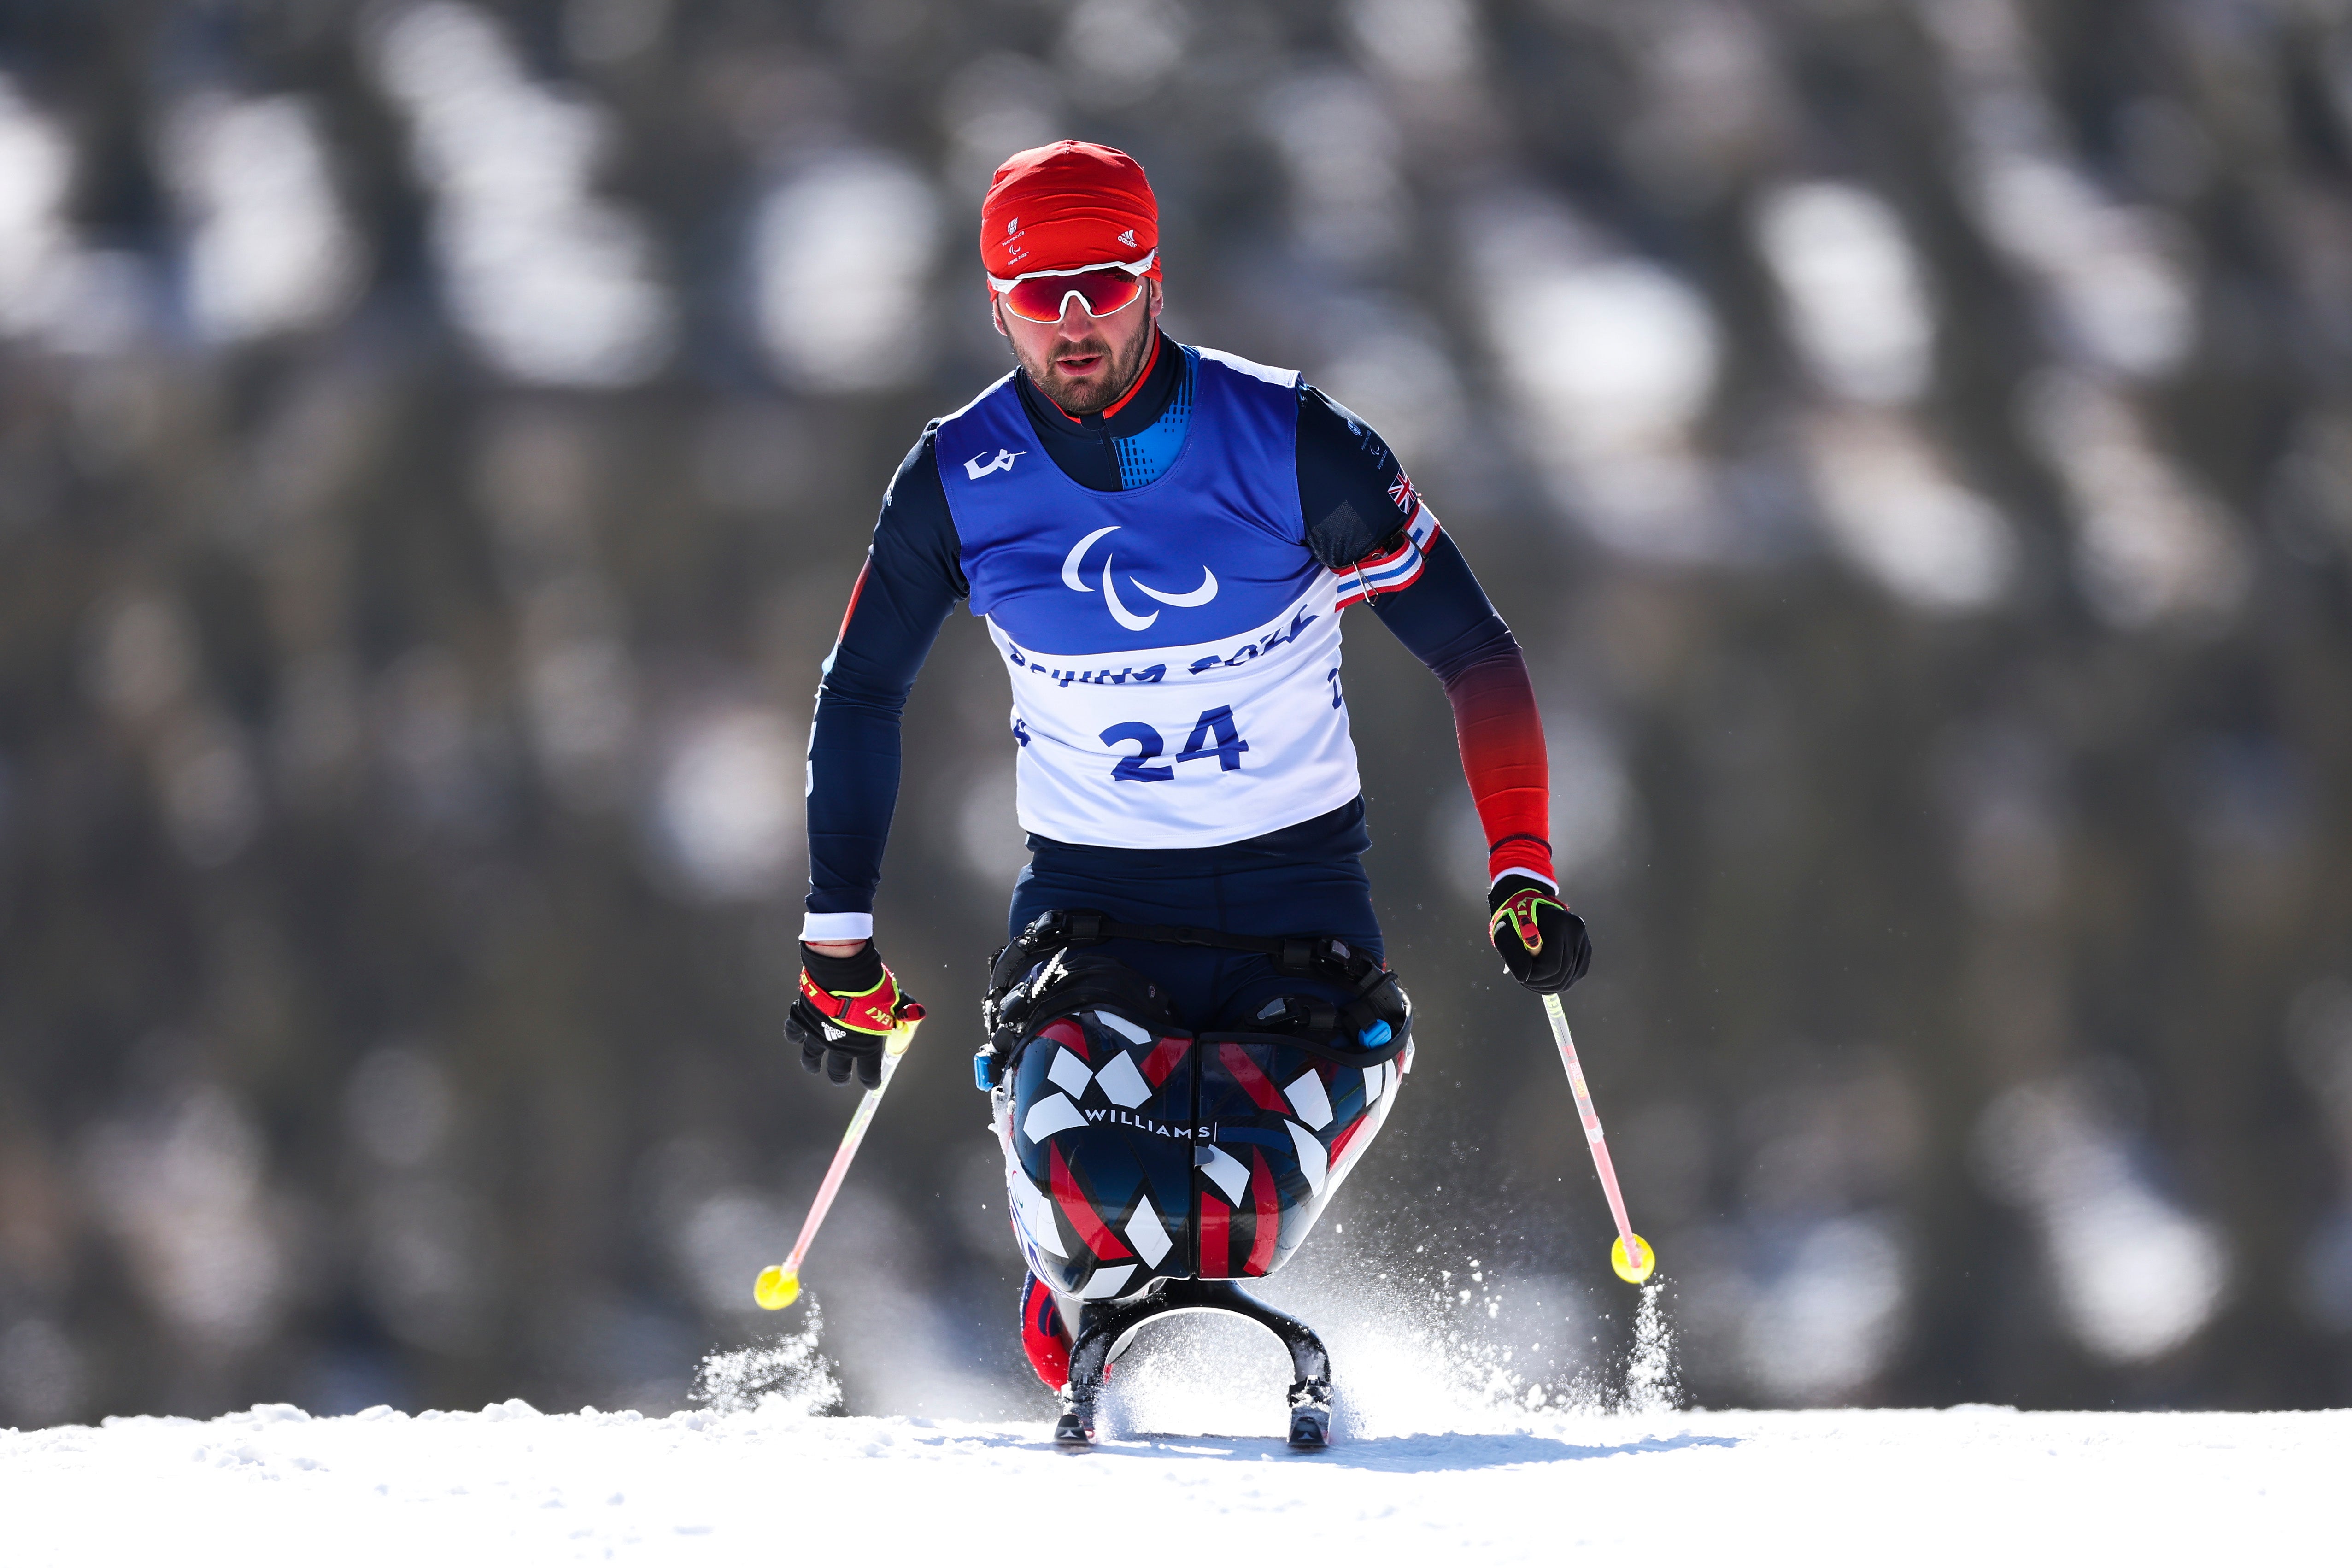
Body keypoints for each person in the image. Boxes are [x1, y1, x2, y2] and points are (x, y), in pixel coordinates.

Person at [783, 141, 1589, 1428]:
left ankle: (1112, 1248)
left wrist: (1520, 868)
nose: (1071, 322)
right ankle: (1071, 1266)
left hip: (1301, 911)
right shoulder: (956, 478)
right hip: (1094, 914)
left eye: (1099, 283)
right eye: (1034, 294)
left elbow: (1473, 651)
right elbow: (860, 691)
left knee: (1234, 1221)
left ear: (1154, 277)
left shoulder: (1291, 440)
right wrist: (837, 941)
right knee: (1110, 1204)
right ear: (992, 302)